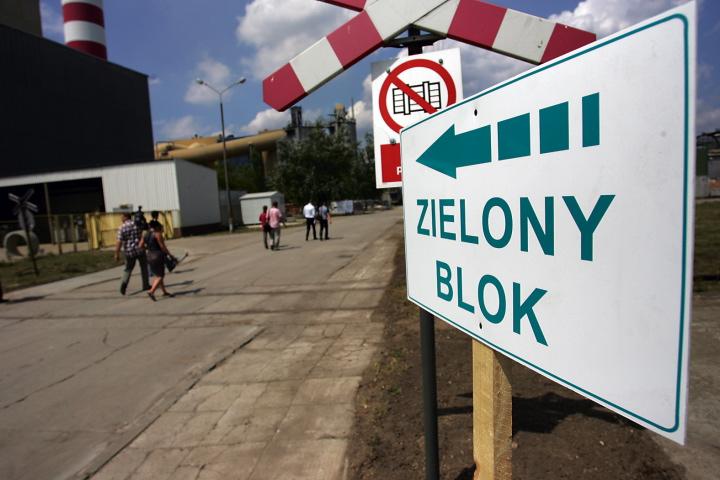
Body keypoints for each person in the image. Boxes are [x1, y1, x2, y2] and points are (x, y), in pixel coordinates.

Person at [139, 220, 175, 301]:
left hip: (149, 256)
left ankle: (164, 292)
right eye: (159, 226)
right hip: (158, 256)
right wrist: (170, 255)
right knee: (160, 276)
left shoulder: (145, 234)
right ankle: (151, 291)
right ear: (156, 227)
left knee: (157, 274)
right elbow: (162, 247)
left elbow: (140, 245)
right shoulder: (157, 234)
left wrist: (147, 248)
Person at [115, 212, 150, 295]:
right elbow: (145, 233)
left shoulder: (122, 227)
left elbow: (119, 242)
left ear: (126, 217)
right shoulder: (137, 224)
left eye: (122, 216)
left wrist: (117, 253)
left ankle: (124, 283)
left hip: (129, 251)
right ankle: (145, 285)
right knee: (144, 268)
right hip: (140, 249)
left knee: (128, 269)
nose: (121, 218)